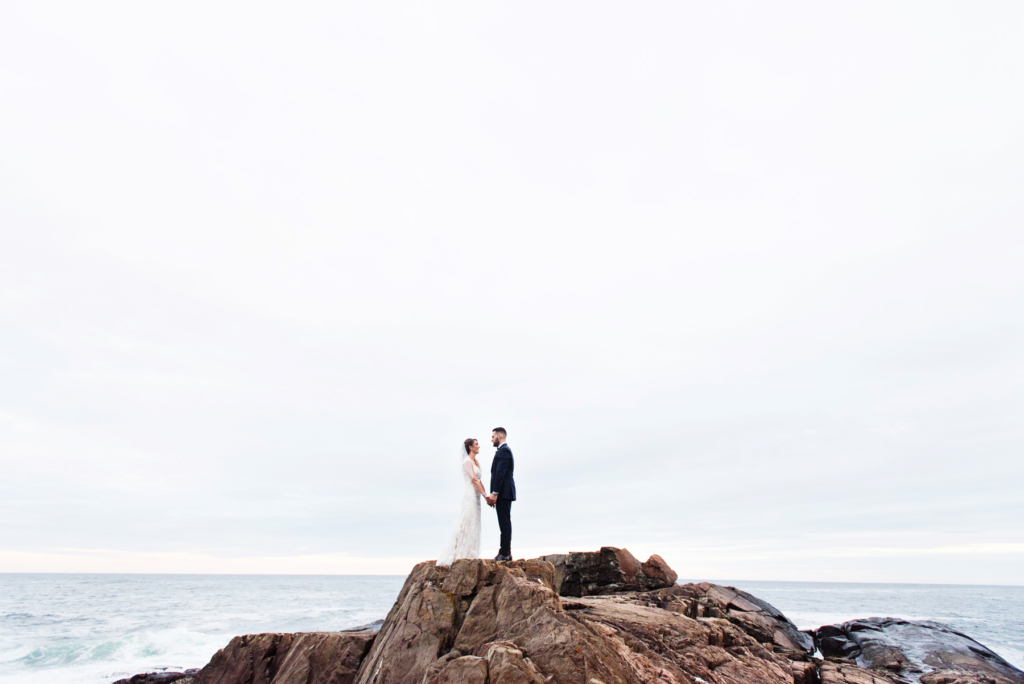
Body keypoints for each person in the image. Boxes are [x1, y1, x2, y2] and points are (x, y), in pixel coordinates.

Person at [437, 438, 489, 566]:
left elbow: (480, 481)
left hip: (476, 496)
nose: (479, 446)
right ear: (470, 447)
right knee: (467, 522)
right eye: (477, 444)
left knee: (475, 523)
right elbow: (474, 481)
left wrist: (485, 496)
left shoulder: (474, 462)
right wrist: (484, 495)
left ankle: (472, 553)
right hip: (470, 496)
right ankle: (462, 553)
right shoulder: (466, 462)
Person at [486, 427, 516, 561]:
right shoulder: (502, 451)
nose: (492, 439)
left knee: (504, 522)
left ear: (500, 436)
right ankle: (505, 551)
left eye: (493, 437)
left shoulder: (504, 451)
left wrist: (495, 493)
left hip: (503, 492)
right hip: (503, 493)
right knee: (504, 522)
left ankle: (504, 553)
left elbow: (500, 473)